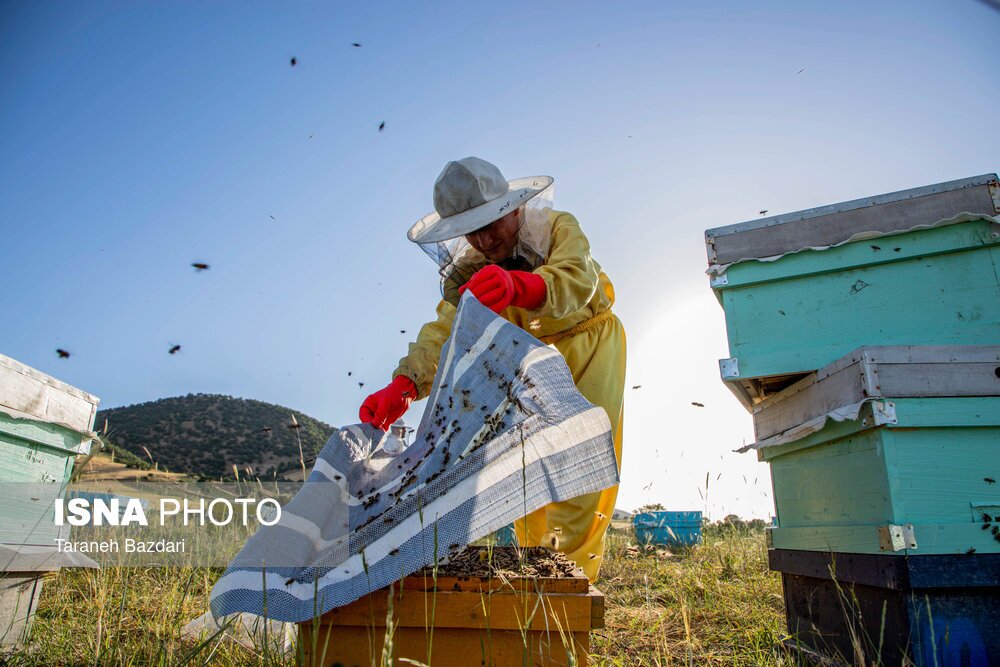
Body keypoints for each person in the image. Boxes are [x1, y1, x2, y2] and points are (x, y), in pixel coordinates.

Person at [359, 156, 626, 581]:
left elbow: (578, 278)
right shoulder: (472, 268)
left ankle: (571, 590)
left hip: (587, 345)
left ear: (513, 208)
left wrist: (523, 285)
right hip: (524, 359)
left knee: (578, 470)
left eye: (491, 224)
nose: (484, 240)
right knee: (524, 472)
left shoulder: (558, 227)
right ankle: (533, 581)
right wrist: (406, 385)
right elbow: (447, 329)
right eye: (472, 231)